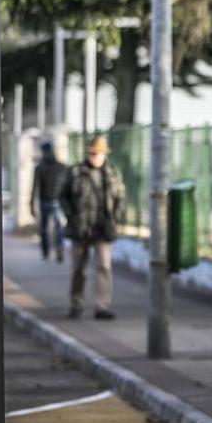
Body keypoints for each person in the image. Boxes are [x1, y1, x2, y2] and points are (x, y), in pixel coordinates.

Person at [60, 135, 126, 320]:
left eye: (99, 153)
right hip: (80, 229)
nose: (96, 156)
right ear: (88, 153)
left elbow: (120, 197)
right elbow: (63, 196)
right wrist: (71, 216)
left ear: (105, 154)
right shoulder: (75, 172)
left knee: (104, 267)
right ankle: (76, 305)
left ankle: (102, 306)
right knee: (78, 269)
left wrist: (115, 217)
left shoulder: (113, 173)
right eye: (93, 153)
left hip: (103, 228)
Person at [30, 142, 67, 262]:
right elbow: (67, 187)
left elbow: (35, 187)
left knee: (44, 228)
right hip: (59, 202)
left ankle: (46, 252)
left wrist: (31, 204)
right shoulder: (62, 167)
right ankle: (59, 247)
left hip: (45, 201)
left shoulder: (40, 167)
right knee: (59, 227)